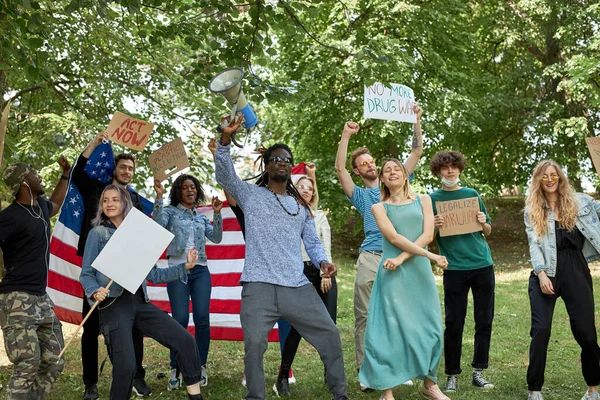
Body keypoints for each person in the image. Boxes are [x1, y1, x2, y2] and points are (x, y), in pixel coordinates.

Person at [215, 115, 348, 400]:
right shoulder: (251, 195)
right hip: (258, 286)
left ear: (291, 166)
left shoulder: (299, 206)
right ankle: (256, 396)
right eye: (276, 158)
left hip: (296, 286)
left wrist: (323, 261)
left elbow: (312, 241)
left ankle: (340, 393)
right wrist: (225, 140)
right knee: (253, 344)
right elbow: (225, 175)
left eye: (287, 159)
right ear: (267, 165)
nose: (282, 162)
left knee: (330, 335)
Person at [79, 184, 205, 400]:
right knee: (126, 366)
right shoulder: (98, 234)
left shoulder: (136, 235)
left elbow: (154, 275)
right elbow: (86, 274)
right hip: (114, 305)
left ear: (124, 203)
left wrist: (185, 266)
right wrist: (93, 291)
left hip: (140, 303)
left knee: (185, 340)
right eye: (105, 200)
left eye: (115, 200)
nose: (110, 204)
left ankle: (196, 397)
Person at [334, 104, 422, 390]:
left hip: (398, 257)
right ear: (358, 171)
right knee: (364, 317)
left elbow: (417, 152)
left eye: (372, 161)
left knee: (396, 316)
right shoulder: (360, 195)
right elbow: (338, 167)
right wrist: (346, 135)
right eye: (364, 164)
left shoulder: (395, 183)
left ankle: (397, 369)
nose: (370, 165)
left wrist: (416, 120)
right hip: (370, 258)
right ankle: (365, 372)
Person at [358, 158, 449, 400]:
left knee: (432, 329)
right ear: (383, 179)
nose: (392, 172)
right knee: (389, 331)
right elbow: (395, 238)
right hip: (392, 276)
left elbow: (428, 234)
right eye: (386, 170)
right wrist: (429, 255)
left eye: (396, 168)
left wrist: (403, 259)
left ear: (404, 174)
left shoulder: (424, 200)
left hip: (418, 273)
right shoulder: (379, 207)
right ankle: (387, 391)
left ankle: (430, 385)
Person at [207, 138, 296, 387]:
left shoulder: (287, 206)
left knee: (287, 323)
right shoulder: (248, 205)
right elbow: (232, 187)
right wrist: (218, 155)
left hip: (287, 276)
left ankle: (285, 371)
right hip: (259, 279)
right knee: (256, 330)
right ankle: (251, 369)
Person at [72, 131, 151, 399]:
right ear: (114, 169)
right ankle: (90, 384)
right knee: (92, 328)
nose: (127, 172)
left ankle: (135, 377)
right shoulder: (98, 189)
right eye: (123, 167)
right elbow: (77, 174)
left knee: (132, 327)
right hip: (97, 272)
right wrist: (93, 143)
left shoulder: (136, 200)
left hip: (127, 272)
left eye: (131, 169)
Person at [524, 160, 600, 400]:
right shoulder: (533, 208)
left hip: (576, 268)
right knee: (541, 329)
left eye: (553, 175)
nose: (549, 179)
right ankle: (534, 391)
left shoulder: (580, 202)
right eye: (544, 176)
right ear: (538, 179)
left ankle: (593, 390)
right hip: (545, 271)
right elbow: (534, 245)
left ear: (560, 178)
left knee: (586, 332)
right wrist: (543, 273)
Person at [0, 158, 70, 399]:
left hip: (41, 298)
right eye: (33, 173)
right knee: (27, 363)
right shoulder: (9, 217)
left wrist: (65, 174)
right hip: (17, 300)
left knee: (54, 361)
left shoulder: (39, 207)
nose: (38, 175)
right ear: (23, 183)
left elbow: (57, 204)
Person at [428, 151, 495, 393]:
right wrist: (434, 226)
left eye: (454, 166)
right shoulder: (432, 199)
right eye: (445, 167)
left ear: (460, 169)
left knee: (484, 320)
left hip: (482, 265)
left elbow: (487, 230)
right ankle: (452, 374)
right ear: (438, 172)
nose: (450, 171)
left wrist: (482, 221)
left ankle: (479, 371)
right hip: (454, 268)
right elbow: (428, 236)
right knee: (454, 323)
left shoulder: (472, 195)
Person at [153, 174, 224, 389]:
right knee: (180, 319)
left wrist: (218, 214)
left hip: (200, 270)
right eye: (185, 188)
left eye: (193, 187)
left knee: (202, 318)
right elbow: (157, 225)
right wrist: (159, 197)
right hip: (178, 270)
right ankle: (176, 366)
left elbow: (217, 238)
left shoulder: (202, 217)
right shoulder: (170, 212)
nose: (190, 190)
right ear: (178, 191)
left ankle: (200, 365)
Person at [274, 164, 337, 397]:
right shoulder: (286, 214)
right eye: (301, 186)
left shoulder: (319, 216)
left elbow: (325, 245)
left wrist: (325, 272)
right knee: (297, 328)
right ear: (293, 190)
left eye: (309, 188)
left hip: (321, 271)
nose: (306, 190)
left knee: (329, 326)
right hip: (297, 273)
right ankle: (282, 377)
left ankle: (330, 374)